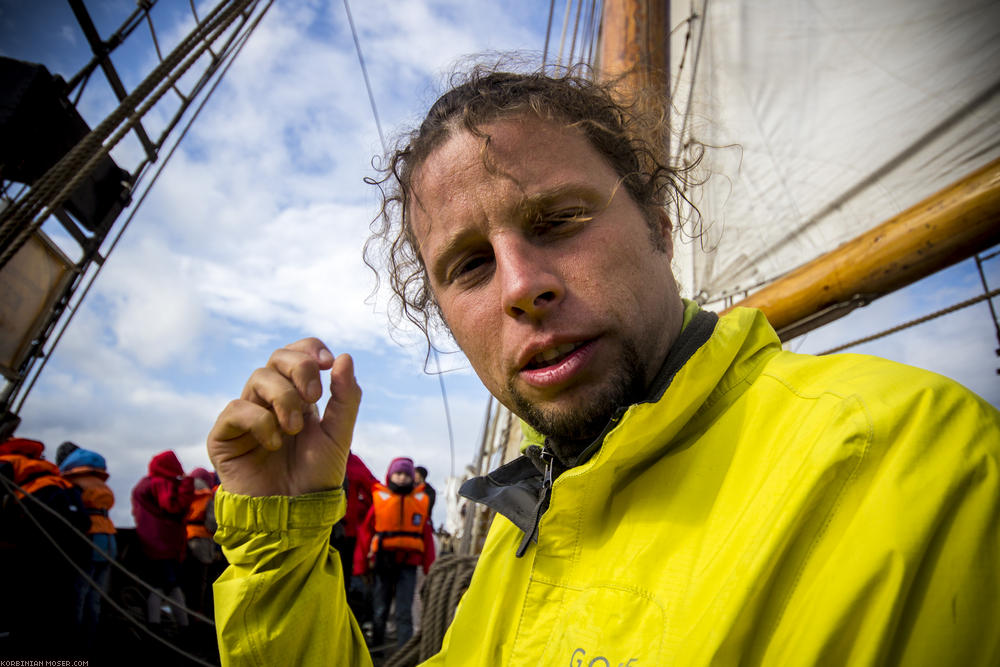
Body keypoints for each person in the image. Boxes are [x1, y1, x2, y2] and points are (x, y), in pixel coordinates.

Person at [207, 64, 1000, 665]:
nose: (523, 286)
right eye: (471, 267)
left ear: (660, 226)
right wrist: (280, 549)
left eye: (559, 219)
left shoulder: (908, 456)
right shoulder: (518, 551)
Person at [0, 437, 90, 657]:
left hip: (30, 542)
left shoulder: (8, 464)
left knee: (24, 605)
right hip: (69, 543)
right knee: (56, 608)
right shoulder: (52, 474)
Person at [354, 456, 435, 651]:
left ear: (411, 478)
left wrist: (429, 566)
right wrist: (360, 566)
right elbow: (366, 534)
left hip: (408, 564)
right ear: (390, 475)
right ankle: (376, 647)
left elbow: (426, 537)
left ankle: (403, 652)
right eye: (398, 474)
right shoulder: (380, 500)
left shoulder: (420, 501)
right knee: (380, 608)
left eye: (406, 474)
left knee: (403, 610)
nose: (401, 478)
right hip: (383, 562)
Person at [59, 446, 118, 650]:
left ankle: (75, 646)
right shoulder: (100, 482)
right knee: (95, 598)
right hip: (108, 539)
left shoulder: (71, 482)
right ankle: (91, 642)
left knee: (78, 596)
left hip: (90, 539)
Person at [131, 449, 194, 632]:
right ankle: (181, 627)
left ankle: (156, 624)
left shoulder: (146, 483)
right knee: (168, 586)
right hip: (164, 543)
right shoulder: (161, 484)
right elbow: (173, 507)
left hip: (152, 542)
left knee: (158, 585)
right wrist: (187, 485)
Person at [332, 451, 379, 636]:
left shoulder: (353, 463)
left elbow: (374, 491)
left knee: (340, 586)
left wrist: (360, 515)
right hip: (314, 533)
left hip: (344, 536)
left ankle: (339, 631)